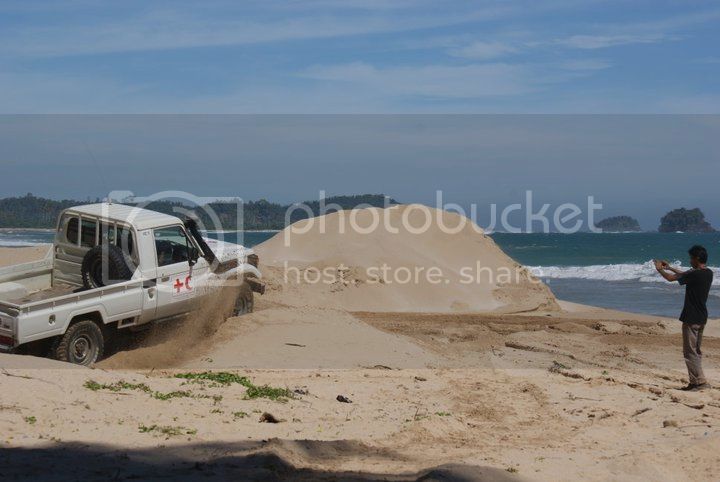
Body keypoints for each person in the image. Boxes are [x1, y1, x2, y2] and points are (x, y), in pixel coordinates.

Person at [655, 245, 713, 391]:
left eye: (691, 258)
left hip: (691, 317)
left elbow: (670, 279)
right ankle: (697, 381)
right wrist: (670, 267)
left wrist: (660, 269)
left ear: (697, 258)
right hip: (701, 316)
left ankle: (698, 382)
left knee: (690, 352)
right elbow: (684, 274)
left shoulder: (694, 274)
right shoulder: (708, 273)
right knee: (696, 350)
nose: (690, 260)